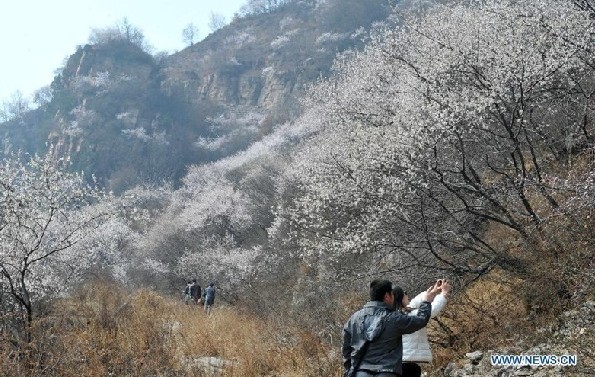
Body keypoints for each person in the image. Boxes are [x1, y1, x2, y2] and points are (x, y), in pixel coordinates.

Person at [342, 279, 442, 377]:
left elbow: (346, 348)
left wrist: (350, 369)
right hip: (387, 371)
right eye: (392, 294)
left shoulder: (355, 318)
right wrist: (426, 302)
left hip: (360, 371)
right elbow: (420, 321)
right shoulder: (394, 318)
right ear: (387, 296)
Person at [393, 280, 451, 377]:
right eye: (405, 293)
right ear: (401, 298)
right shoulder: (410, 316)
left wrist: (433, 291)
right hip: (407, 365)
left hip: (394, 362)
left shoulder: (391, 315)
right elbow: (430, 310)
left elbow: (413, 303)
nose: (407, 296)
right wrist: (443, 294)